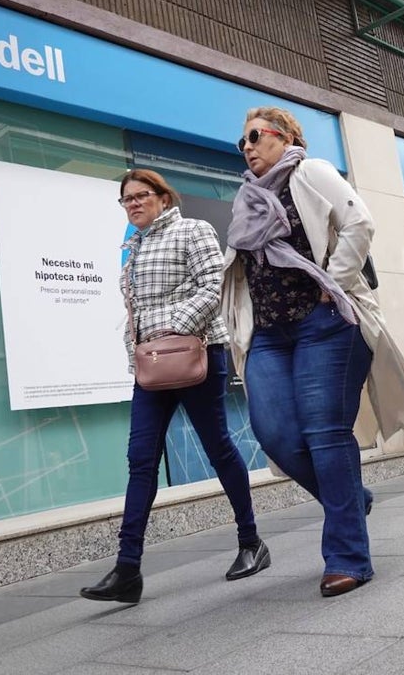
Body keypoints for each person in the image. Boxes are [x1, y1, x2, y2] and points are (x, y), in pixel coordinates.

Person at [221, 106, 404, 598]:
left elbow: (359, 223)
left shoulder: (311, 172)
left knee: (324, 433)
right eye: (243, 142)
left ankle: (347, 557)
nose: (248, 147)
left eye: (256, 136)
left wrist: (333, 283)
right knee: (273, 433)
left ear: (286, 137)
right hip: (269, 335)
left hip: (325, 323)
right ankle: (349, 497)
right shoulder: (248, 197)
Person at [80, 170, 269, 605]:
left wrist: (170, 329)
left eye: (140, 196)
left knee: (218, 446)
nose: (132, 204)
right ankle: (128, 569)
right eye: (125, 199)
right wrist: (141, 350)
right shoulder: (133, 247)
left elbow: (212, 288)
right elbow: (136, 313)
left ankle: (251, 542)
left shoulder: (193, 230)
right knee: (140, 458)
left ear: (163, 198)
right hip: (152, 368)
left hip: (198, 355)